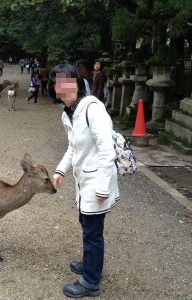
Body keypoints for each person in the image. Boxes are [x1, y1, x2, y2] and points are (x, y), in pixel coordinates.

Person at [48, 64, 119, 298]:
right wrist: (60, 171)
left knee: (93, 233)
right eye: (57, 83)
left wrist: (102, 187)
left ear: (76, 84)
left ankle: (90, 282)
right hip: (83, 183)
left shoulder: (93, 109)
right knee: (87, 226)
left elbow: (107, 149)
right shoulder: (68, 113)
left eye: (66, 82)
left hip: (96, 183)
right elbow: (73, 147)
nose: (62, 88)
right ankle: (91, 265)